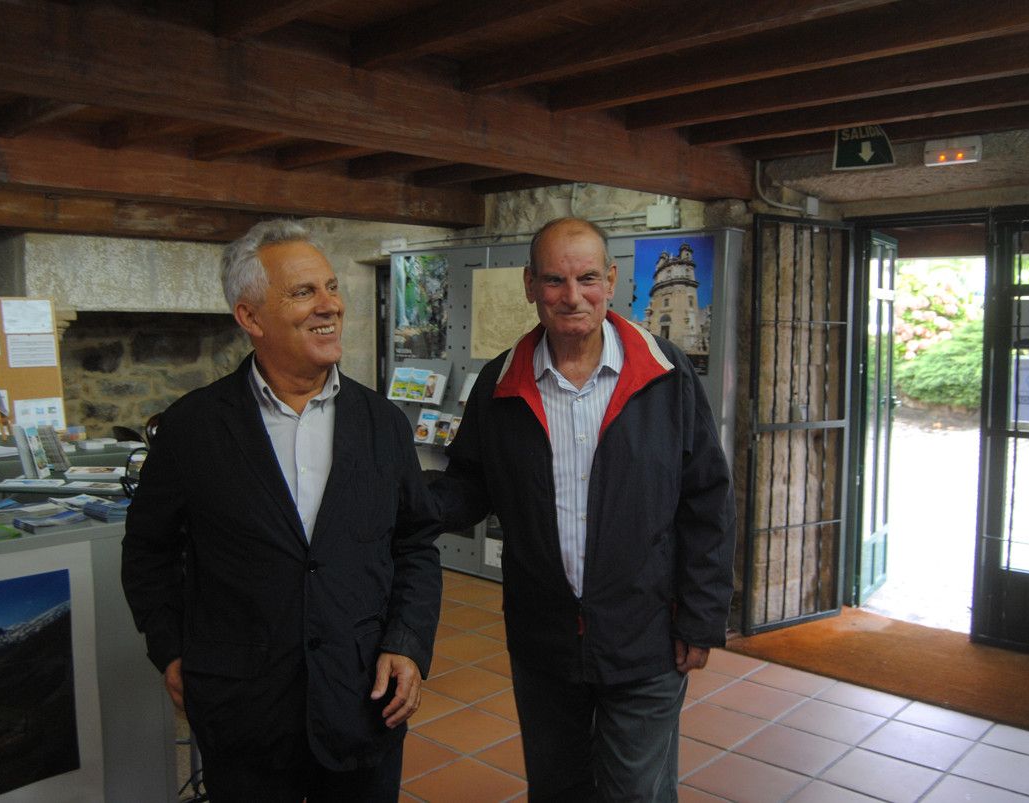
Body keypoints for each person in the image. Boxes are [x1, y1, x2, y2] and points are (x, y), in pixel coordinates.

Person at [121, 219, 441, 802]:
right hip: (244, 712)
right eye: (303, 293)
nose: (330, 306)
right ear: (250, 317)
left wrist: (409, 642)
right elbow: (148, 549)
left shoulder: (383, 424)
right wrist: (168, 647)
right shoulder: (193, 428)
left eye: (331, 287)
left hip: (361, 701)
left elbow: (415, 544)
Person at [431, 217, 735, 802]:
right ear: (529, 286)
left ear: (613, 280)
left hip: (646, 633)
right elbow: (470, 483)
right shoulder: (500, 383)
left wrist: (701, 615)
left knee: (634, 792)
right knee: (557, 788)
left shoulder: (666, 376)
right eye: (554, 280)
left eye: (588, 278)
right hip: (543, 640)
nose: (573, 296)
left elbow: (707, 499)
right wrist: (402, 494)